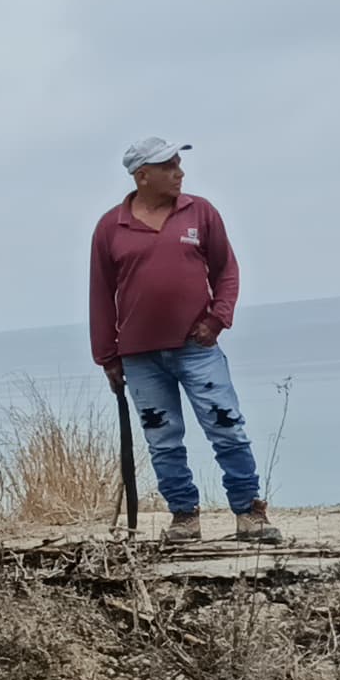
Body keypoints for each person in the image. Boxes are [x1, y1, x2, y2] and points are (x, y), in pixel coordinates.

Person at [89, 136, 281, 545]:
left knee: (226, 427)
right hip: (139, 356)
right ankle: (183, 518)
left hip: (197, 348)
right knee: (162, 439)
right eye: (169, 166)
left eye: (178, 163)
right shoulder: (110, 227)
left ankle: (249, 513)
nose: (179, 172)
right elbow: (101, 294)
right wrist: (107, 356)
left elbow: (226, 270)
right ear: (143, 176)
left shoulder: (200, 212)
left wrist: (217, 319)